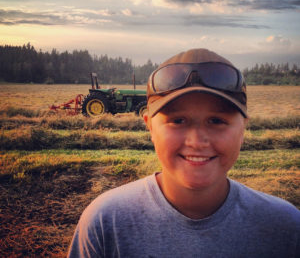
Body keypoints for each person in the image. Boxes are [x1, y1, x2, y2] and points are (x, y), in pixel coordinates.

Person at [68, 48, 300, 258]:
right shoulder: (106, 223)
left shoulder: (285, 228)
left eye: (217, 120)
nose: (197, 141)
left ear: (243, 129)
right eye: (178, 120)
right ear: (149, 125)